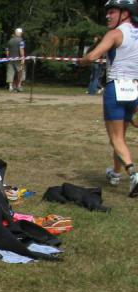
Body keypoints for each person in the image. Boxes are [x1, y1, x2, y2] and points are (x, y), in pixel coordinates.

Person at [81, 0, 138, 196]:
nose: (107, 16)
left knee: (115, 138)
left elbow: (92, 57)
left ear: (125, 13)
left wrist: (82, 61)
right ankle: (115, 172)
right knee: (121, 137)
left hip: (116, 87)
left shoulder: (115, 33)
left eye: (112, 12)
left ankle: (133, 174)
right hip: (134, 88)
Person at [5, 27, 26, 92]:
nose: (21, 34)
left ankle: (10, 87)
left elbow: (7, 51)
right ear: (19, 33)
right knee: (21, 72)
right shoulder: (21, 40)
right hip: (18, 59)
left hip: (10, 59)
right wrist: (22, 58)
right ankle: (19, 86)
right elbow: (21, 49)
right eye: (21, 33)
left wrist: (8, 58)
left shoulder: (9, 41)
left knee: (10, 72)